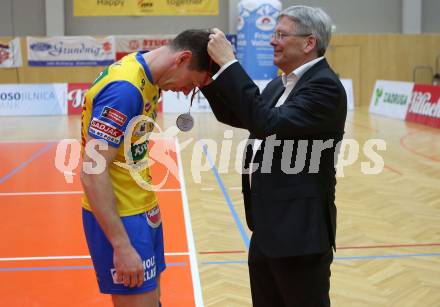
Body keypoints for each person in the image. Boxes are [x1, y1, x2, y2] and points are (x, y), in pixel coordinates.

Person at [202, 6, 347, 307]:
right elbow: (242, 114)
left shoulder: (324, 87)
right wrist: (208, 79)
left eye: (281, 35)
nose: (272, 41)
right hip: (267, 227)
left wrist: (230, 62)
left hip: (299, 234)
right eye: (273, 33)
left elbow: (269, 124)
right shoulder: (279, 84)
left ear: (309, 43)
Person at [80, 29, 218, 307]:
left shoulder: (146, 73)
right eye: (192, 83)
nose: (187, 91)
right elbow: (92, 171)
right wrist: (121, 244)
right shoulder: (124, 89)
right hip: (123, 217)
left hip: (142, 210)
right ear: (183, 59)